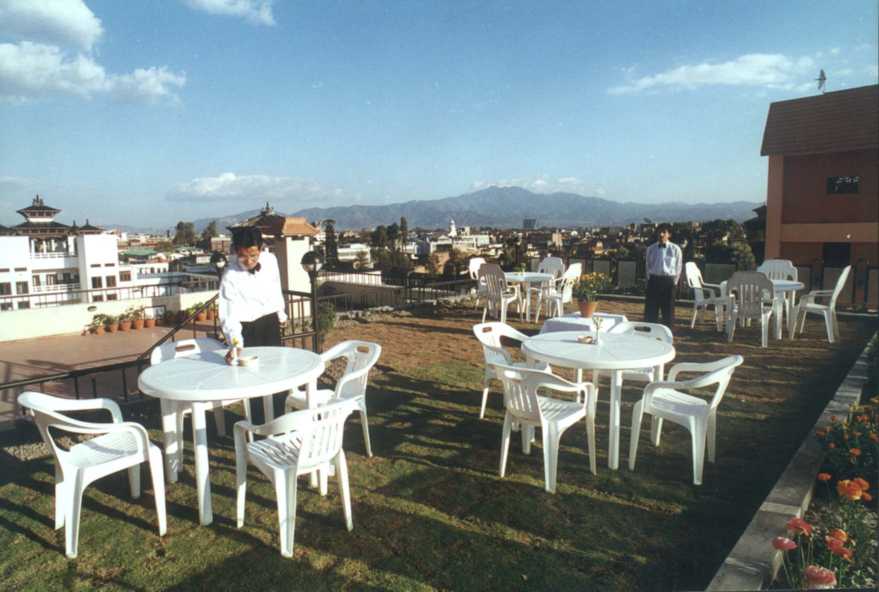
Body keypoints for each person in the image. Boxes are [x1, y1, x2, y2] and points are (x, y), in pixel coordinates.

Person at [219, 226, 288, 421]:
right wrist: (236, 343)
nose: (249, 261)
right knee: (253, 381)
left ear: (260, 248)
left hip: (270, 323)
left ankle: (279, 424)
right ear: (235, 252)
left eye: (253, 255)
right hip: (247, 329)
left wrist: (280, 314)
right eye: (242, 256)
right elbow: (228, 314)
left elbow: (275, 287)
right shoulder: (230, 276)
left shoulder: (271, 260)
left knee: (277, 376)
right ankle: (258, 428)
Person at [644, 224, 683, 328]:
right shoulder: (650, 249)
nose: (661, 234)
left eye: (664, 232)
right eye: (659, 232)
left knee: (668, 313)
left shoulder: (675, 249)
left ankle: (668, 337)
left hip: (668, 283)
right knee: (650, 313)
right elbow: (648, 266)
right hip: (654, 281)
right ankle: (648, 337)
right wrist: (649, 281)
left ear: (669, 234)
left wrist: (674, 283)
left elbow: (678, 267)